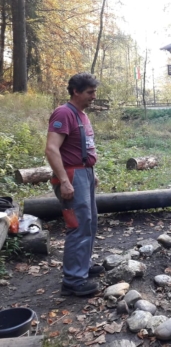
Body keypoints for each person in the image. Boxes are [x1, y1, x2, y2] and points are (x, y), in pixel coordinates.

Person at [45, 72, 104, 296]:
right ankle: (72, 281)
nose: (93, 96)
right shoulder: (63, 113)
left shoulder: (82, 115)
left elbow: (84, 146)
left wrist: (91, 171)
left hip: (84, 173)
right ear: (76, 91)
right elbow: (51, 148)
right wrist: (64, 181)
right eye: (90, 92)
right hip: (71, 176)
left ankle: (83, 267)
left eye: (94, 92)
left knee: (90, 223)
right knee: (78, 226)